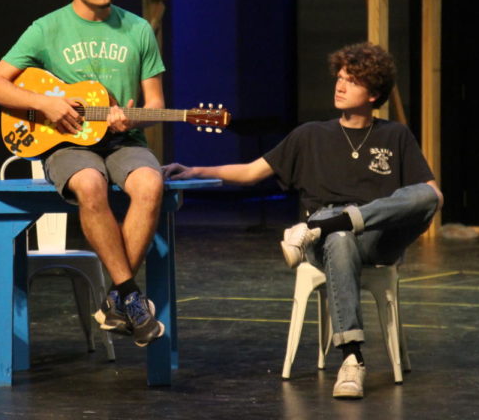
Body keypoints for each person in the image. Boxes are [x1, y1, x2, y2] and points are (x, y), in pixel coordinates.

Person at [163, 42, 443, 399]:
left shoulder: (395, 135)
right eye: (339, 78)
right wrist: (195, 170)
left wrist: (347, 220)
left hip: (375, 236)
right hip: (324, 244)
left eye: (352, 81)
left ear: (373, 93)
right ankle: (352, 360)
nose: (340, 86)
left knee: (427, 195)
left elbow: (429, 195)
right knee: (339, 238)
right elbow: (251, 172)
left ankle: (327, 224)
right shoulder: (311, 134)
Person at [0, 0, 167, 347]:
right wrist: (45, 106)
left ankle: (118, 299)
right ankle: (132, 296)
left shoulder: (137, 29)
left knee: (151, 184)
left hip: (123, 140)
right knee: (89, 184)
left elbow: (155, 104)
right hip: (67, 144)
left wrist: (132, 116)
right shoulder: (46, 28)